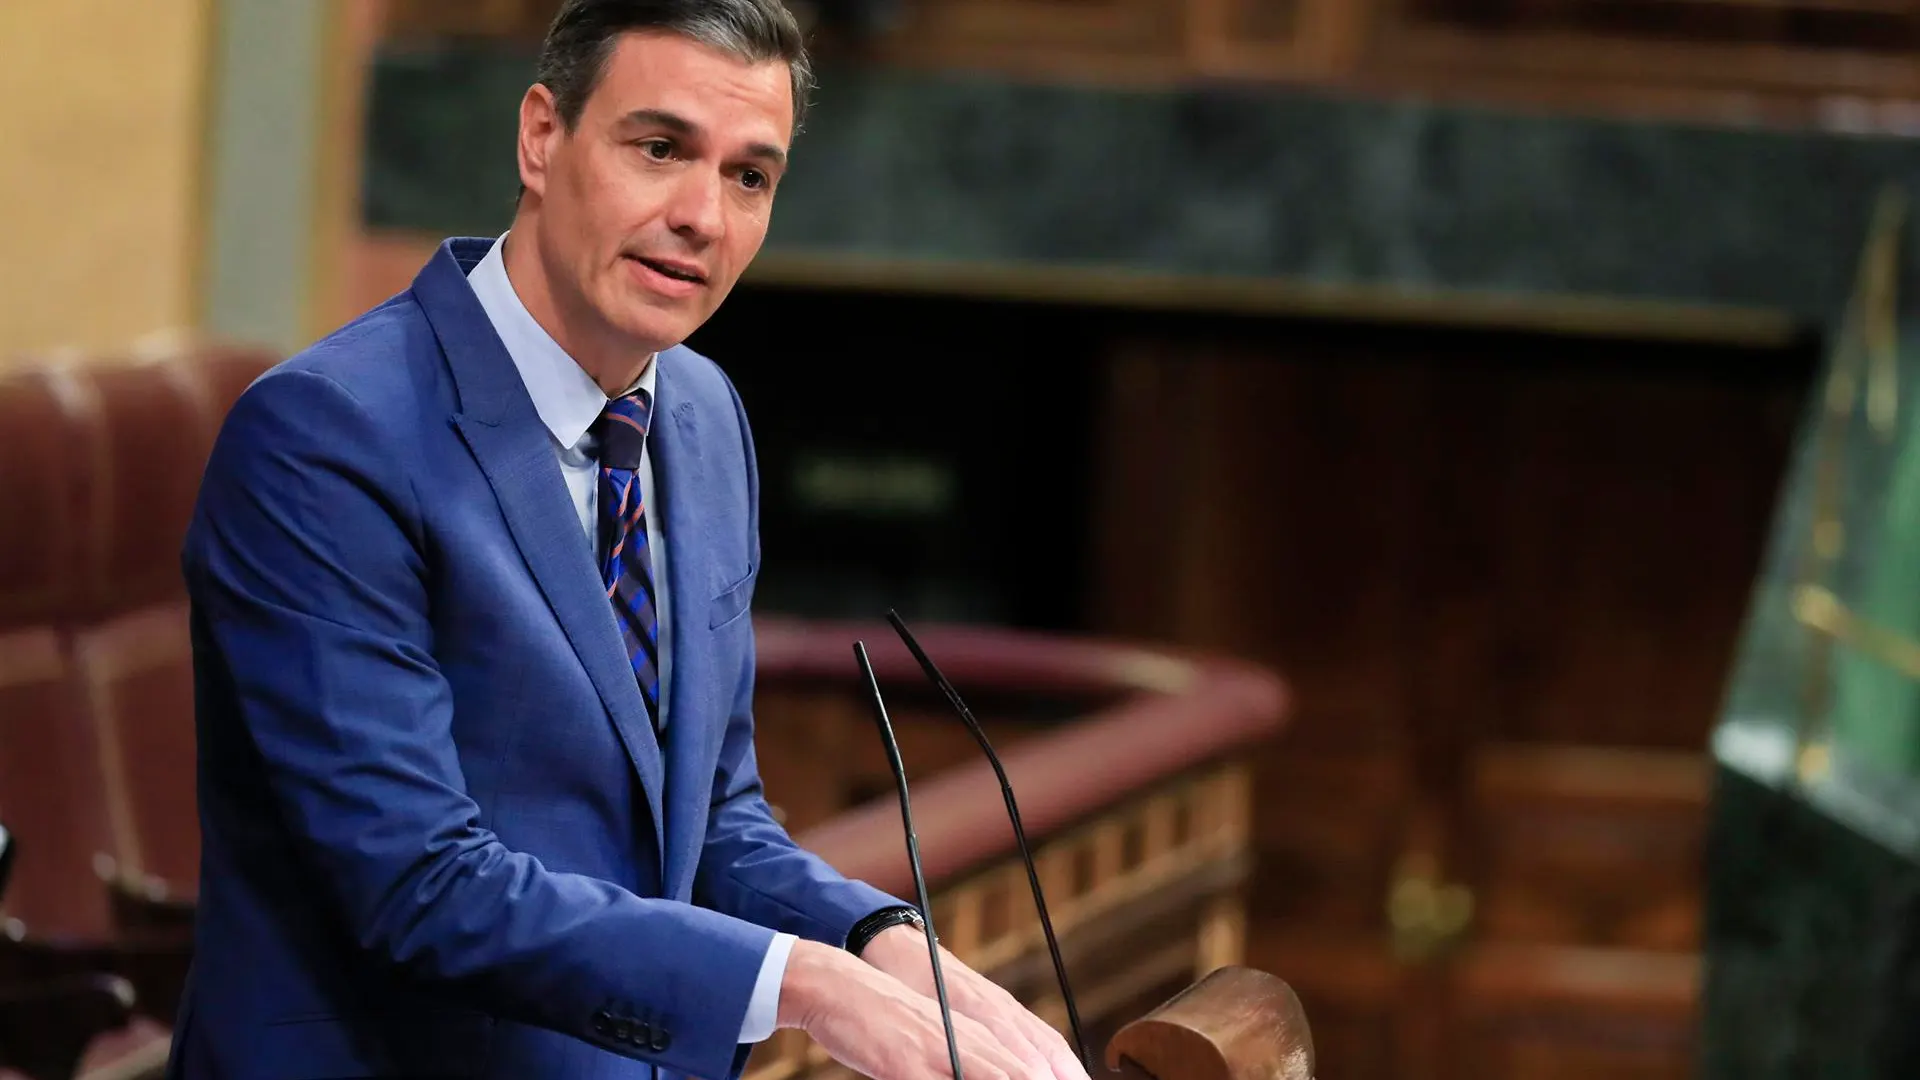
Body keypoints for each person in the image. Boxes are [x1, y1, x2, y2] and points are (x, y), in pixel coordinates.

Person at [172, 2, 1088, 1078]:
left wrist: (878, 939)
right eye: (660, 148)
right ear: (542, 138)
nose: (702, 214)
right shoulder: (329, 435)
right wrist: (807, 985)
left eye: (750, 176)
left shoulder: (701, 417)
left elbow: (710, 820)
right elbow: (416, 883)